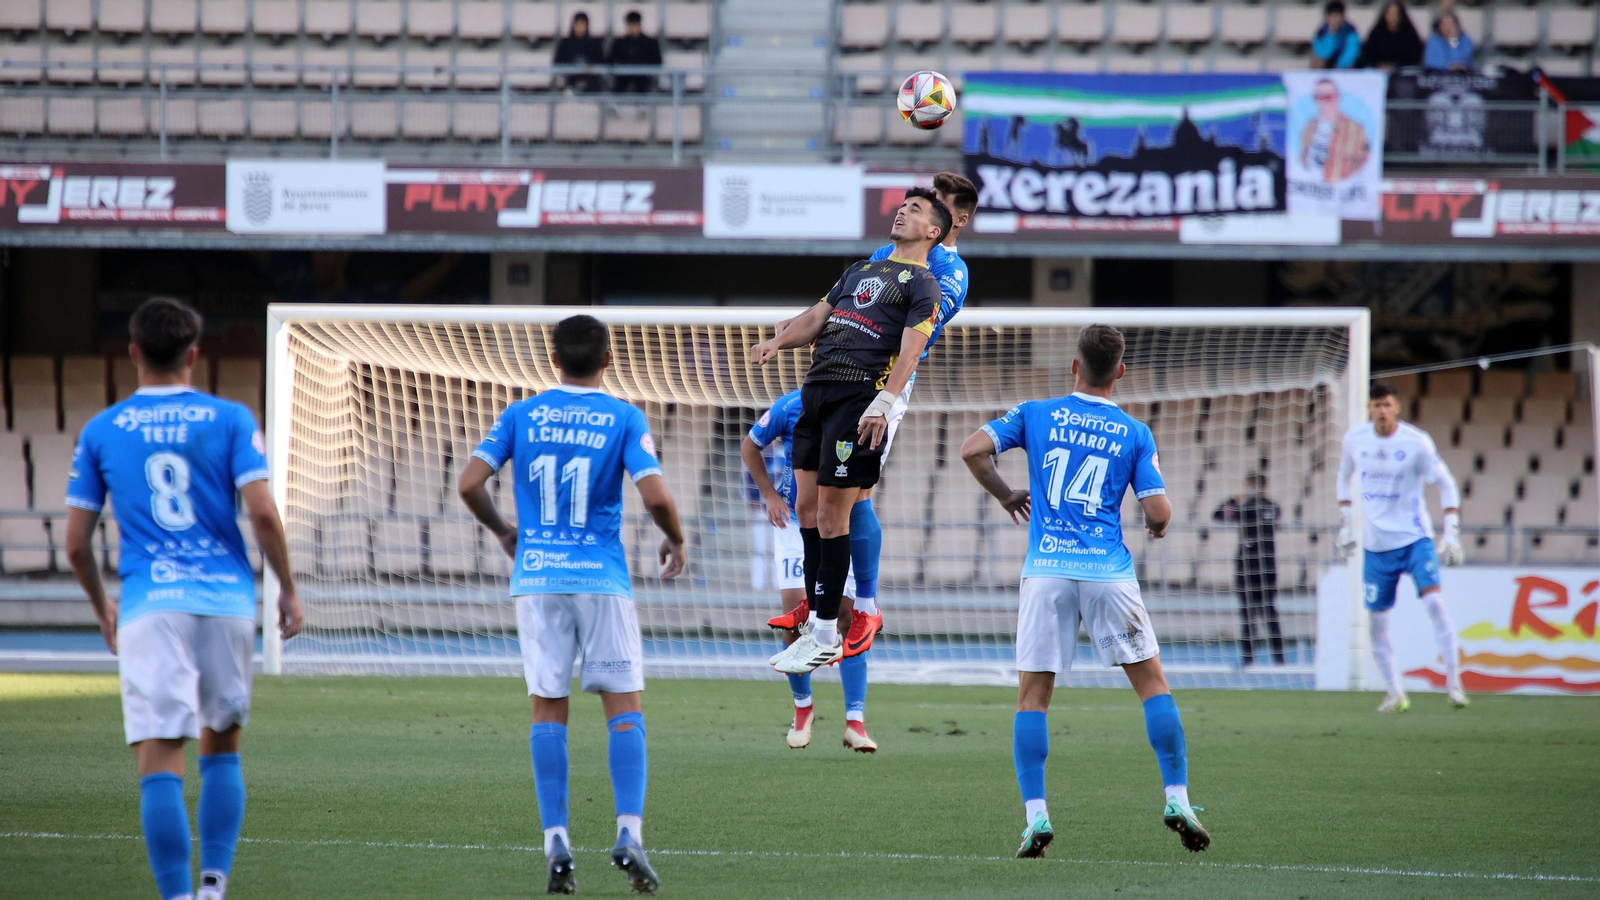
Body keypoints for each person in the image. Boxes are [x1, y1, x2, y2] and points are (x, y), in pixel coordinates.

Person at [64, 297, 303, 900]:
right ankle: (214, 887)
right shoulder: (230, 418)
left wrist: (102, 608)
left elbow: (75, 545)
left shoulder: (102, 430)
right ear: (194, 355)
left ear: (134, 352)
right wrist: (287, 588)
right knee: (222, 752)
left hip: (150, 606)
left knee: (160, 759)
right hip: (226, 602)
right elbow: (263, 513)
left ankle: (177, 896)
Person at [457, 314, 688, 894]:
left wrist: (504, 532)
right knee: (624, 707)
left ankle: (556, 840)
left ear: (553, 358)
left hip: (537, 578)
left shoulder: (520, 414)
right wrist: (676, 539)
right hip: (600, 579)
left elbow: (468, 484)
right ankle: (629, 832)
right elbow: (657, 498)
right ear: (608, 358)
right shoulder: (624, 417)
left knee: (547, 708)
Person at [959, 324, 1208, 859]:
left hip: (1046, 570)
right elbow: (1158, 511)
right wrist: (1159, 526)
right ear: (1120, 371)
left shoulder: (1036, 413)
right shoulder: (1134, 432)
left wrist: (1006, 495)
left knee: (1033, 698)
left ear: (1074, 366)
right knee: (1153, 686)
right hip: (1107, 574)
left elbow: (972, 450)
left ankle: (1036, 816)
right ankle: (1178, 799)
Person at [748, 188, 951, 675]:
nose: (902, 211)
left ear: (933, 232)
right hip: (816, 391)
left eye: (915, 209)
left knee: (833, 515)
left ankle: (824, 634)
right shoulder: (861, 269)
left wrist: (884, 402)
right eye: (902, 205)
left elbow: (911, 352)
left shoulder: (925, 285)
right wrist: (778, 341)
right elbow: (818, 318)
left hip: (859, 398)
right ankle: (815, 627)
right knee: (805, 510)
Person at [742, 391, 876, 751]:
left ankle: (855, 721)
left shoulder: (857, 403)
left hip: (839, 523)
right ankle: (803, 709)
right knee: (795, 619)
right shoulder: (790, 406)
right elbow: (750, 446)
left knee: (847, 619)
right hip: (794, 523)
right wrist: (769, 495)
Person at [1335, 382, 1467, 713]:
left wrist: (1451, 532)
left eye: (1387, 405)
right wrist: (1346, 523)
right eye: (1376, 405)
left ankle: (1454, 684)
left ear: (1397, 408)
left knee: (1435, 603)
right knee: (1377, 623)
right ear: (1369, 408)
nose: (1382, 411)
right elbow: (1343, 478)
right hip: (1376, 547)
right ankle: (1396, 692)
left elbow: (1446, 482)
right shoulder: (1355, 440)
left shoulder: (1416, 442)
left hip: (1414, 539)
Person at [1212, 472, 1286, 667]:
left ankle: (1272, 658)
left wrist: (1236, 501)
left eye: (1248, 486)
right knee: (1250, 614)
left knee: (1265, 613)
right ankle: (1254, 658)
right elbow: (1217, 515)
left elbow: (1220, 514)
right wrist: (1234, 500)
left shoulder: (1263, 507)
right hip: (1250, 567)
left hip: (1261, 567)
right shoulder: (1252, 507)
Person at [1298, 77, 1371, 183]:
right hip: (1310, 186)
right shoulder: (1309, 126)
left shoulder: (1355, 129)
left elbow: (1364, 163)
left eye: (1328, 97)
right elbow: (1302, 157)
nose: (1323, 102)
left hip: (1339, 187)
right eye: (1318, 97)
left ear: (1338, 98)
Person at [1356, 0, 1423, 71]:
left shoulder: (1409, 35)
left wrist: (1395, 67)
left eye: (1395, 14)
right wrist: (1378, 66)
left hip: (1403, 73)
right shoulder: (1377, 34)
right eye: (1389, 13)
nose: (1393, 17)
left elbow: (1415, 58)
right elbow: (1367, 57)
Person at [608, 10, 662, 94]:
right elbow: (610, 59)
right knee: (617, 88)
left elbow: (657, 61)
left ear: (639, 25)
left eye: (635, 25)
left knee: (642, 86)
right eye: (630, 25)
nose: (632, 28)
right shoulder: (619, 43)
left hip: (643, 76)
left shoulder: (650, 43)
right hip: (623, 75)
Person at [553, 12, 605, 93]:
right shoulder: (565, 43)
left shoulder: (594, 44)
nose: (580, 27)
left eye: (582, 24)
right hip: (570, 80)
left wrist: (591, 68)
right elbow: (557, 62)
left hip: (590, 82)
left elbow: (601, 62)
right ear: (573, 25)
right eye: (577, 24)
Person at [1311, 1, 1362, 70]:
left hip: (1344, 66)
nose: (1335, 20)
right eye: (1332, 16)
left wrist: (1339, 66)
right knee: (1318, 63)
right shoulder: (1321, 33)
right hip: (1327, 64)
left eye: (1337, 16)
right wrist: (1331, 35)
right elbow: (1321, 53)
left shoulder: (1350, 32)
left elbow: (1352, 52)